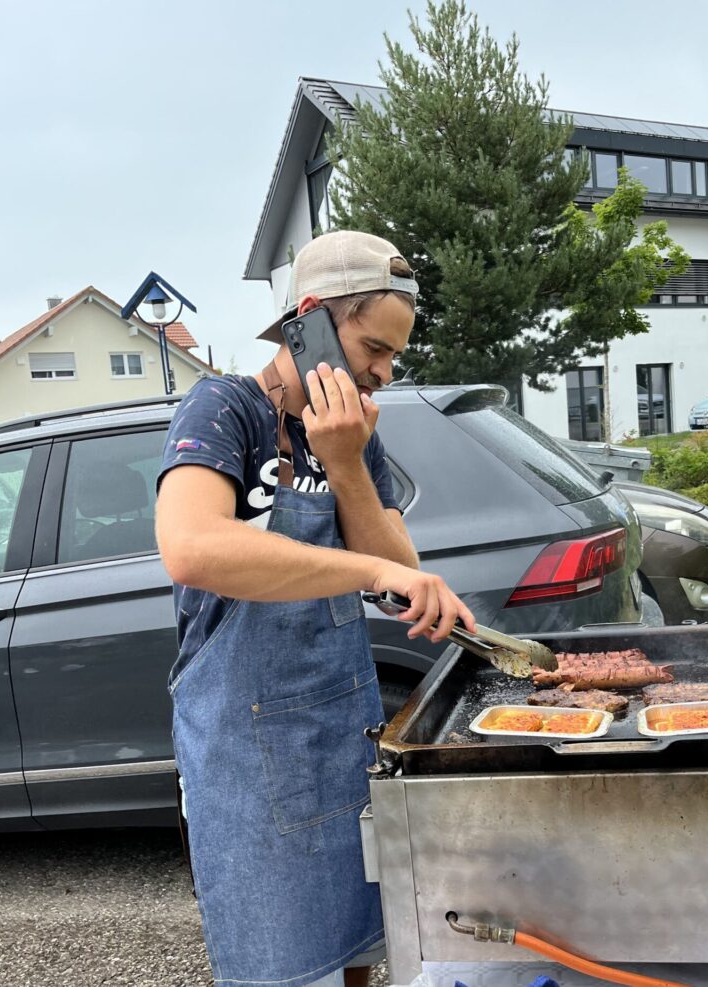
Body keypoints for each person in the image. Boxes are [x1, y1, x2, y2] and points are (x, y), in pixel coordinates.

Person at [155, 230, 476, 987]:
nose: (382, 371)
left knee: (360, 954)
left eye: (395, 357)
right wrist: (359, 563)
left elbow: (400, 577)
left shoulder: (353, 435)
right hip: (248, 770)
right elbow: (193, 546)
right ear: (311, 318)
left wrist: (344, 463)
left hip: (339, 746)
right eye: (373, 346)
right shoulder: (222, 409)